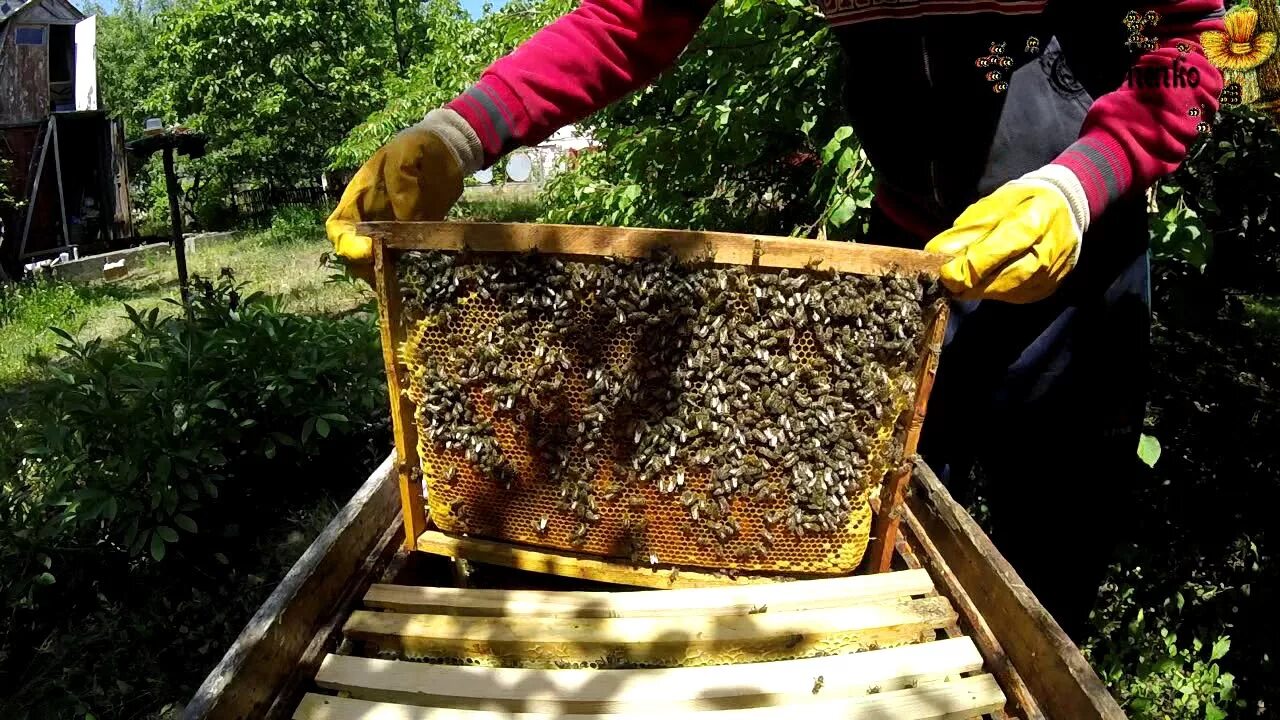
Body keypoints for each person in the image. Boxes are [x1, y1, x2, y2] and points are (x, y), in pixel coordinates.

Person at [327, 0, 1225, 640]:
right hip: (907, 276)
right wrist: (460, 130)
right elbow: (632, 17)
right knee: (886, 569)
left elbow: (1192, 40)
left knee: (1044, 595)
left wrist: (1080, 184)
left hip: (1077, 265)